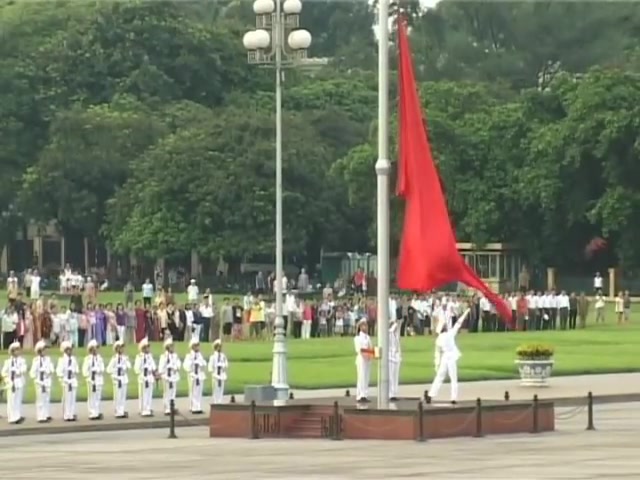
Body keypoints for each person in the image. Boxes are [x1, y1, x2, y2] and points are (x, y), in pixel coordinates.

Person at [425, 309, 470, 405]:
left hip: (445, 358)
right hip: (451, 357)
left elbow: (437, 354)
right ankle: (453, 398)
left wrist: (436, 365)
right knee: (453, 378)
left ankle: (431, 394)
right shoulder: (450, 334)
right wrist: (465, 312)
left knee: (439, 377)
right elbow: (458, 323)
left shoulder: (438, 340)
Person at [2, 341, 26, 424]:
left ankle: (17, 416)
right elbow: (3, 373)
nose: (18, 352)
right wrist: (7, 380)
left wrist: (18, 371)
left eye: (19, 350)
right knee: (11, 400)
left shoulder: (21, 361)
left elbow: (24, 369)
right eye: (16, 350)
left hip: (18, 381)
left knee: (18, 399)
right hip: (11, 383)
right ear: (12, 351)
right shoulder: (8, 362)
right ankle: (12, 417)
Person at [30, 340, 54, 422]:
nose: (46, 351)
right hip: (40, 382)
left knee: (46, 398)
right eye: (44, 350)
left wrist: (48, 371)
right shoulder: (36, 361)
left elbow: (51, 369)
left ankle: (46, 414)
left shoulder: (48, 359)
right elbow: (32, 373)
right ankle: (41, 416)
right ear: (39, 351)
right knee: (40, 399)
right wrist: (37, 378)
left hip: (46, 381)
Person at [106, 339, 130, 418]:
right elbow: (108, 369)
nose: (122, 349)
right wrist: (115, 374)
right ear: (117, 349)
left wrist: (125, 364)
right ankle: (117, 410)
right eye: (121, 348)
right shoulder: (114, 359)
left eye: (123, 348)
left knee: (123, 395)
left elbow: (129, 367)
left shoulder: (125, 358)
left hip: (123, 378)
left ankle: (121, 410)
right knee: (118, 396)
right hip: (117, 379)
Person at [82, 339, 105, 420]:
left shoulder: (99, 358)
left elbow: (102, 368)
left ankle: (97, 411)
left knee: (98, 396)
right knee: (92, 396)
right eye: (95, 348)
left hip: (98, 379)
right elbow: (85, 371)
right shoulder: (87, 359)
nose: (97, 350)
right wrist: (89, 376)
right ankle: (92, 412)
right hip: (92, 380)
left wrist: (97, 370)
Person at [56, 340, 79, 421]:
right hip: (66, 381)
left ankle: (71, 414)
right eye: (68, 349)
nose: (70, 351)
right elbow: (59, 372)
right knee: (67, 398)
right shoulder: (62, 360)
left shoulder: (73, 359)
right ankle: (66, 414)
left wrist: (74, 371)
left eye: (71, 349)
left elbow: (76, 369)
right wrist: (64, 379)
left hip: (72, 380)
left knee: (72, 398)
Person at [353, 318, 375, 403]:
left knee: (366, 377)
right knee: (361, 377)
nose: (365, 327)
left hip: (368, 359)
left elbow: (371, 347)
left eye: (366, 325)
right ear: (360, 326)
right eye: (363, 325)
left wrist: (373, 353)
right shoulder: (357, 338)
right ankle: (360, 395)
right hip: (361, 359)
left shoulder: (368, 337)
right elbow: (359, 349)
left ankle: (365, 394)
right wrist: (368, 353)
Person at [158, 337, 181, 415]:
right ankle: (167, 408)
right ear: (167, 347)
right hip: (166, 377)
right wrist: (163, 373)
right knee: (167, 392)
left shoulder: (175, 356)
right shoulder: (163, 356)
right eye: (171, 346)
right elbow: (161, 368)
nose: (173, 348)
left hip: (173, 376)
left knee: (173, 392)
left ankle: (172, 406)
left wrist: (175, 367)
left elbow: (178, 364)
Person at [134, 337, 156, 417]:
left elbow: (153, 367)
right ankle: (143, 409)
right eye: (147, 347)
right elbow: (136, 369)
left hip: (149, 377)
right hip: (143, 377)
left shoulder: (150, 356)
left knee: (149, 394)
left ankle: (148, 408)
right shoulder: (139, 357)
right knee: (143, 394)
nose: (148, 348)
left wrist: (154, 373)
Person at [183, 337, 206, 414]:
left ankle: (198, 406)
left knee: (199, 391)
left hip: (199, 375)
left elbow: (203, 363)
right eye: (196, 345)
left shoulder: (200, 355)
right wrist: (192, 363)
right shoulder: (189, 356)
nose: (198, 347)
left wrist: (200, 363)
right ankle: (193, 406)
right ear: (192, 346)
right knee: (193, 391)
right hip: (193, 375)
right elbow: (186, 366)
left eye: (198, 345)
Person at [208, 339, 228, 404]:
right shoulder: (213, 357)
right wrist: (212, 371)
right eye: (219, 346)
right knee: (215, 388)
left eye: (221, 346)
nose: (220, 348)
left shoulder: (223, 356)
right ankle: (216, 401)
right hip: (215, 374)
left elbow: (226, 364)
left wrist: (223, 365)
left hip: (221, 374)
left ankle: (220, 401)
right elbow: (210, 366)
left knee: (221, 388)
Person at [388, 318, 402, 401]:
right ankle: (390, 394)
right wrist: (394, 324)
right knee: (391, 376)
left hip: (396, 357)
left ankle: (394, 393)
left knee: (395, 377)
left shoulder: (396, 335)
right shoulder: (388, 333)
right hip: (390, 357)